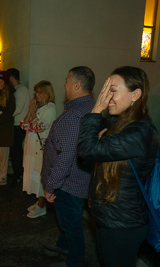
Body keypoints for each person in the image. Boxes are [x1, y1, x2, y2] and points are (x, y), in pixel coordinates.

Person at [77, 66, 159, 267]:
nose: (106, 97)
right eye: (105, 90)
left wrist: (96, 109)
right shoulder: (121, 126)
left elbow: (86, 150)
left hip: (123, 225)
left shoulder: (139, 132)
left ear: (136, 94)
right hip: (111, 219)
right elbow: (93, 158)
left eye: (112, 90)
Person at [41, 66, 95, 267]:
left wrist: (51, 185)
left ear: (77, 85)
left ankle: (74, 262)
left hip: (68, 184)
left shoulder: (74, 116)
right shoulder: (90, 108)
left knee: (71, 225)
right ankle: (63, 246)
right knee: (68, 222)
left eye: (66, 80)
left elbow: (66, 156)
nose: (64, 84)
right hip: (80, 179)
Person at [21, 80, 56, 218]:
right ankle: (38, 202)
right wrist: (30, 112)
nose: (36, 94)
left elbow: (39, 127)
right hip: (31, 146)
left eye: (39, 92)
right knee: (33, 174)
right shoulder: (38, 107)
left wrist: (32, 112)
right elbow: (24, 125)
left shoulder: (50, 108)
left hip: (40, 148)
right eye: (36, 91)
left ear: (47, 94)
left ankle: (42, 206)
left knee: (40, 176)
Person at [7, 68, 30, 187]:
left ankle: (18, 177)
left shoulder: (21, 90)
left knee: (16, 153)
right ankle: (18, 175)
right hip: (15, 125)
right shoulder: (17, 89)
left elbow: (18, 109)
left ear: (11, 78)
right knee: (15, 152)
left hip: (18, 125)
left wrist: (3, 114)